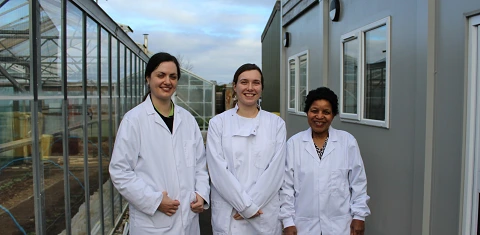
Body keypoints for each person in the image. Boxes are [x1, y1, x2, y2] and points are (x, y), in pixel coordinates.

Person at [109, 52, 210, 235]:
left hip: (188, 218)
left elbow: (200, 164)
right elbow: (120, 171)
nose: (167, 81)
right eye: (160, 75)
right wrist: (154, 200)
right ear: (148, 78)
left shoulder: (187, 120)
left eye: (173, 76)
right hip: (153, 223)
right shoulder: (134, 120)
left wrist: (201, 193)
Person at [206, 63, 286, 235]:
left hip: (263, 214)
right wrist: (244, 205)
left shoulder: (276, 124)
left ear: (262, 88)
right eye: (244, 82)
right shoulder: (218, 124)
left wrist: (250, 207)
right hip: (230, 215)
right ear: (234, 86)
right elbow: (218, 171)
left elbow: (275, 171)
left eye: (256, 83)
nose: (250, 88)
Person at [279, 87, 371, 235]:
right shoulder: (294, 144)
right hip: (303, 225)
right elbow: (286, 187)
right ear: (307, 112)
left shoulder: (347, 142)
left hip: (340, 225)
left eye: (326, 112)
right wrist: (287, 221)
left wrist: (359, 216)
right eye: (314, 110)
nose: (319, 116)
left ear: (333, 115)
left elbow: (358, 182)